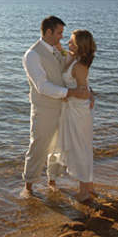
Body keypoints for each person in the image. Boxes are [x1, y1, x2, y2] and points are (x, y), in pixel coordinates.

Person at [22, 16, 93, 195]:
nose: (62, 37)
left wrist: (89, 91)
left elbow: (77, 73)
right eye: (59, 33)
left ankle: (52, 182)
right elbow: (42, 86)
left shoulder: (58, 51)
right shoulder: (32, 55)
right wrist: (71, 93)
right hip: (45, 109)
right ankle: (28, 188)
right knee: (38, 146)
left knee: (57, 147)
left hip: (65, 109)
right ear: (48, 32)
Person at [52, 29, 97, 202]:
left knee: (81, 150)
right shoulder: (70, 56)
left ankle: (84, 191)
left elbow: (84, 92)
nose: (68, 43)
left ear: (79, 46)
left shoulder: (78, 66)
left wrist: (66, 94)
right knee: (82, 149)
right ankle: (89, 186)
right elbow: (57, 47)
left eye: (72, 41)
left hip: (79, 113)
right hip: (73, 110)